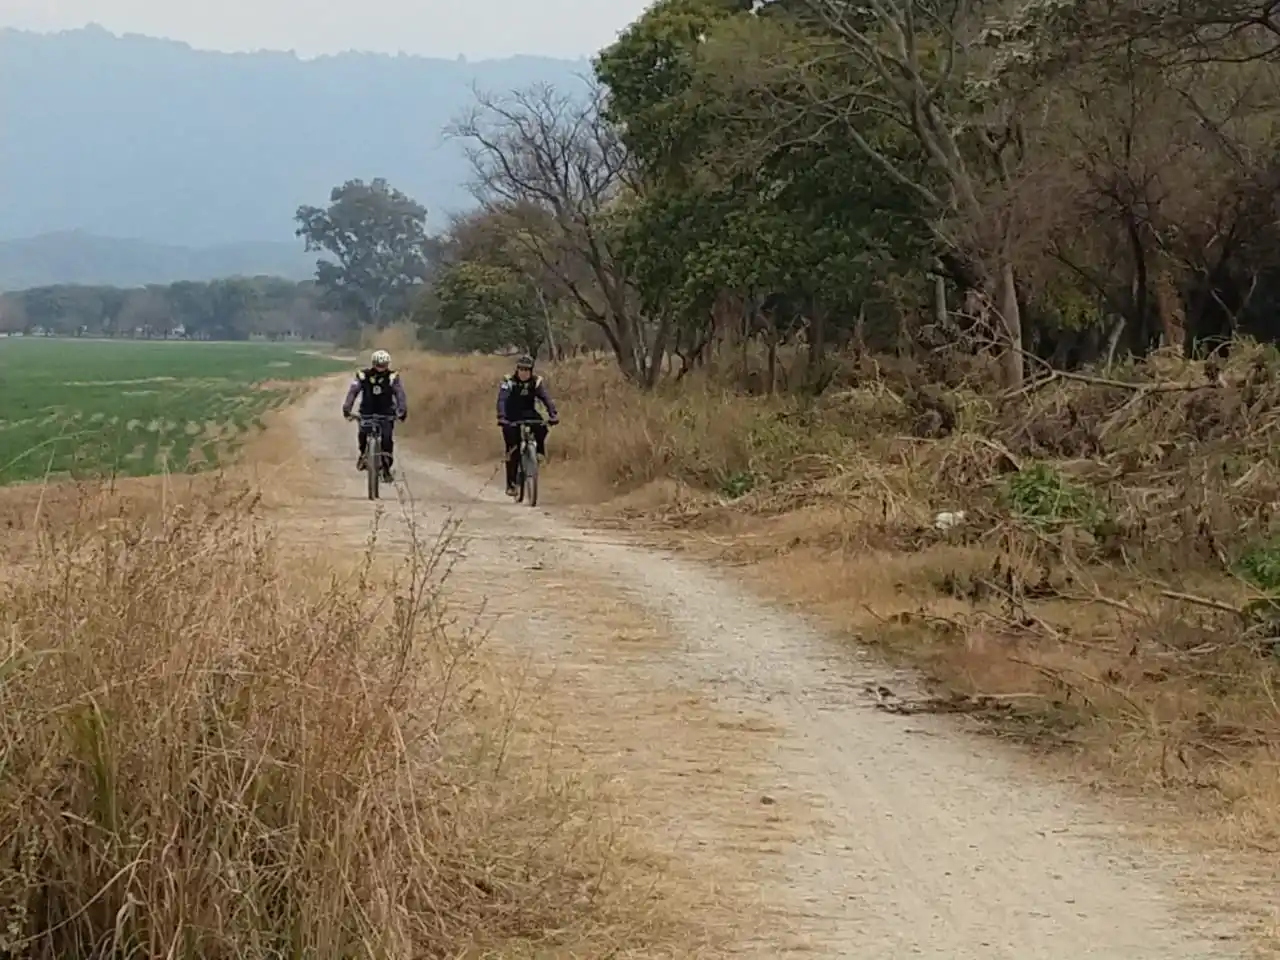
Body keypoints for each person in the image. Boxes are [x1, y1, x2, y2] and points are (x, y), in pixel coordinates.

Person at [496, 354, 558, 496]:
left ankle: (539, 452)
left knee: (542, 427)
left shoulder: (536, 382)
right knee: (513, 449)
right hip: (511, 416)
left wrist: (553, 414)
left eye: (527, 370)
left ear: (531, 371)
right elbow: (502, 400)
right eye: (521, 369)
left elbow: (546, 399)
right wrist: (501, 416)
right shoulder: (509, 382)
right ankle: (511, 484)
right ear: (517, 370)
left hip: (529, 413)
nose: (524, 372)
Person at [341, 349, 406, 480]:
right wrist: (347, 407)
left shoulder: (393, 377)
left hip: (386, 414)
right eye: (378, 364)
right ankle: (363, 455)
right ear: (373, 363)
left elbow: (400, 394)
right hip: (367, 412)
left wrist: (402, 410)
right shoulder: (363, 375)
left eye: (383, 365)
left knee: (387, 440)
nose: (381, 368)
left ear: (388, 364)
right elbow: (353, 391)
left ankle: (386, 468)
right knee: (363, 435)